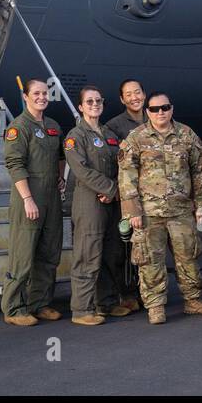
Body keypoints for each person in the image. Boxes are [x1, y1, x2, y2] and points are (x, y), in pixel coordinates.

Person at [118, 93, 202, 324]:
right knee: (150, 261)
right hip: (148, 213)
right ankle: (155, 306)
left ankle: (193, 301)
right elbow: (126, 176)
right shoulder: (136, 138)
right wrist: (132, 211)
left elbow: (198, 173)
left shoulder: (187, 135)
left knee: (188, 257)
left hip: (181, 211)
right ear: (148, 112)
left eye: (165, 107)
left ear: (171, 109)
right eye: (154, 109)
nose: (160, 112)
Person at [64, 86, 131, 325]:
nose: (95, 104)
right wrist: (111, 190)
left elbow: (122, 164)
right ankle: (82, 309)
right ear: (81, 107)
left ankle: (107, 302)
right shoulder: (75, 136)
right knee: (88, 253)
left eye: (98, 100)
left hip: (111, 202)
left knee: (111, 253)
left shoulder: (107, 133)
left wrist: (114, 190)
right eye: (89, 101)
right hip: (89, 201)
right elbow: (82, 170)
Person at [0, 78, 65, 326]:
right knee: (23, 254)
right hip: (29, 197)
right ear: (25, 97)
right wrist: (28, 199)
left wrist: (60, 176)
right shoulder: (19, 127)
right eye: (36, 93)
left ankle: (40, 303)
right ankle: (14, 308)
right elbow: (14, 164)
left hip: (51, 198)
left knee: (49, 252)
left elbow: (59, 154)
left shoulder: (52, 126)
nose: (41, 97)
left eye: (44, 93)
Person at [101, 78, 146, 313]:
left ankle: (146, 292)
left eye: (137, 92)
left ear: (144, 94)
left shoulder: (156, 118)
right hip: (128, 198)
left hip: (152, 198)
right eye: (128, 94)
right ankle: (126, 293)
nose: (134, 97)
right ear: (122, 99)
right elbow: (110, 162)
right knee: (123, 248)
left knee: (147, 248)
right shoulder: (114, 126)